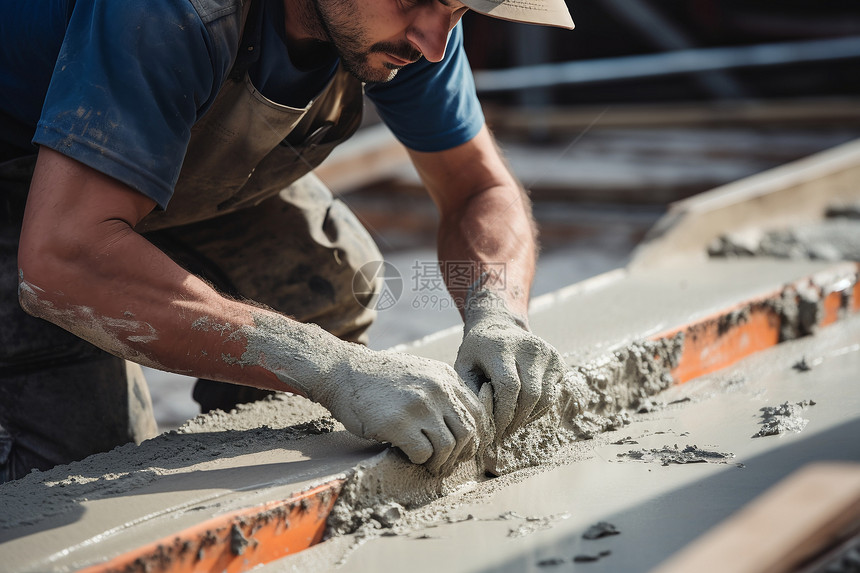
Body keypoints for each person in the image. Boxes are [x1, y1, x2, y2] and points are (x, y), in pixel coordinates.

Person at [0, 0, 574, 482]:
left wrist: (498, 312)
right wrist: (331, 369)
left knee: (324, 285)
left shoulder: (412, 30)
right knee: (89, 461)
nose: (433, 42)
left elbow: (477, 186)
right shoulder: (176, 11)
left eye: (453, 9)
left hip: (172, 175)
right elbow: (64, 257)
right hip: (29, 195)